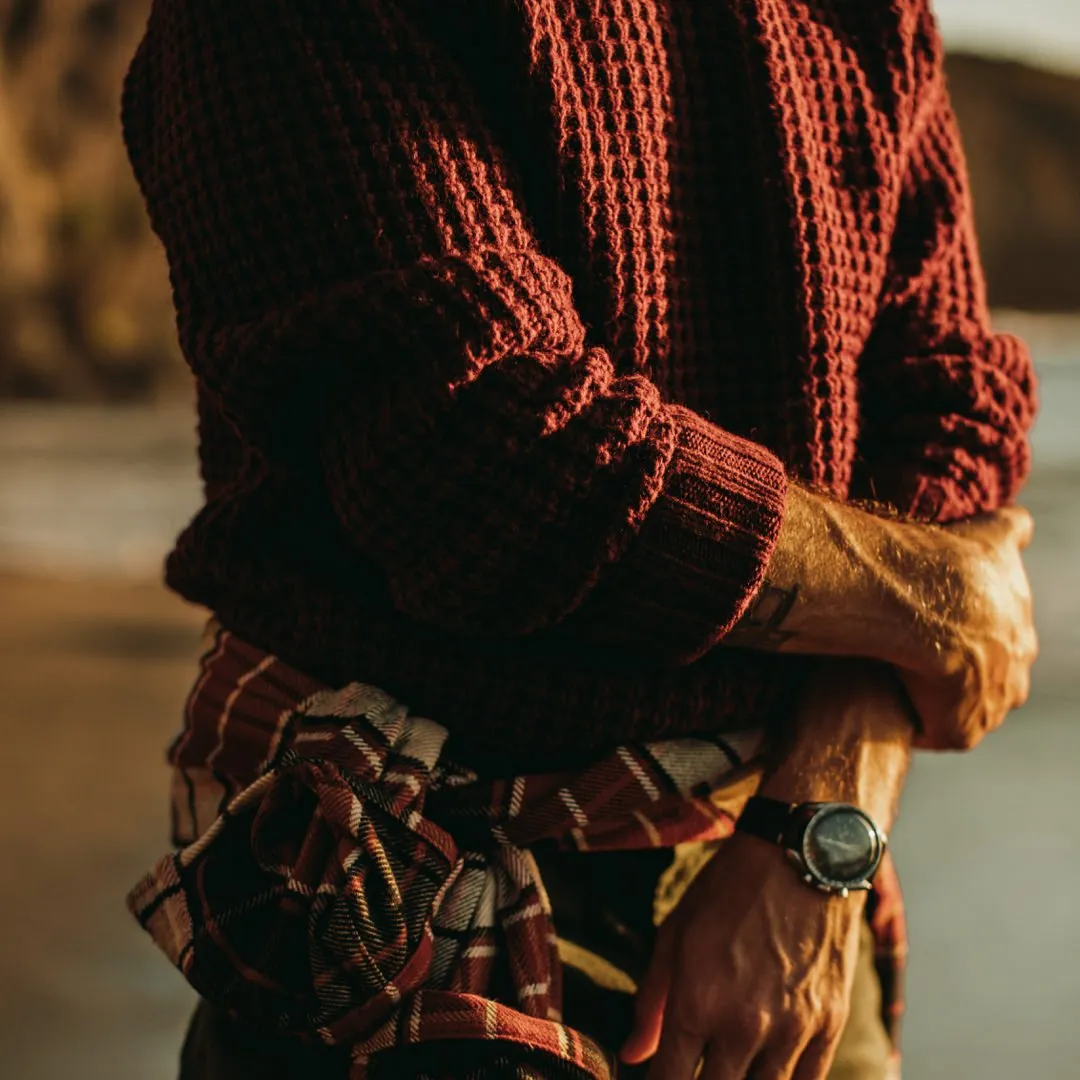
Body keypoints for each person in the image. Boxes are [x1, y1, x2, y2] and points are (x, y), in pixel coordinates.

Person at [120, 1, 1037, 1077]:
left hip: (788, 893)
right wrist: (935, 597)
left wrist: (823, 818)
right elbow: (489, 463)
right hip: (398, 902)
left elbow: (952, 408)